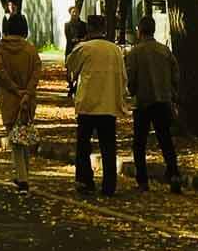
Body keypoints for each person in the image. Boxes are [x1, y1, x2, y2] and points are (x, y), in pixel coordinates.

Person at [66, 13, 126, 197]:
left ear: (89, 29)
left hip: (88, 102)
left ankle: (84, 180)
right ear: (104, 28)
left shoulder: (83, 48)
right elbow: (123, 76)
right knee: (108, 145)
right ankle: (109, 184)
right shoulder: (115, 50)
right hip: (108, 102)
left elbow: (71, 66)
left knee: (83, 144)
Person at [124, 14, 182, 193]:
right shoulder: (164, 50)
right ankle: (174, 174)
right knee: (165, 139)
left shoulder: (134, 53)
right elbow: (176, 74)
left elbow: (130, 78)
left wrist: (132, 91)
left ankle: (142, 180)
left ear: (139, 31)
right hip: (163, 100)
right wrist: (172, 92)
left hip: (143, 102)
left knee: (139, 142)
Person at [0, 13, 42, 191]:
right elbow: (37, 72)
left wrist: (15, 90)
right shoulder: (30, 49)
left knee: (15, 138)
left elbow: (0, 72)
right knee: (24, 135)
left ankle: (22, 177)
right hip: (28, 100)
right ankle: (24, 174)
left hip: (9, 97)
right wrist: (27, 93)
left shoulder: (1, 48)